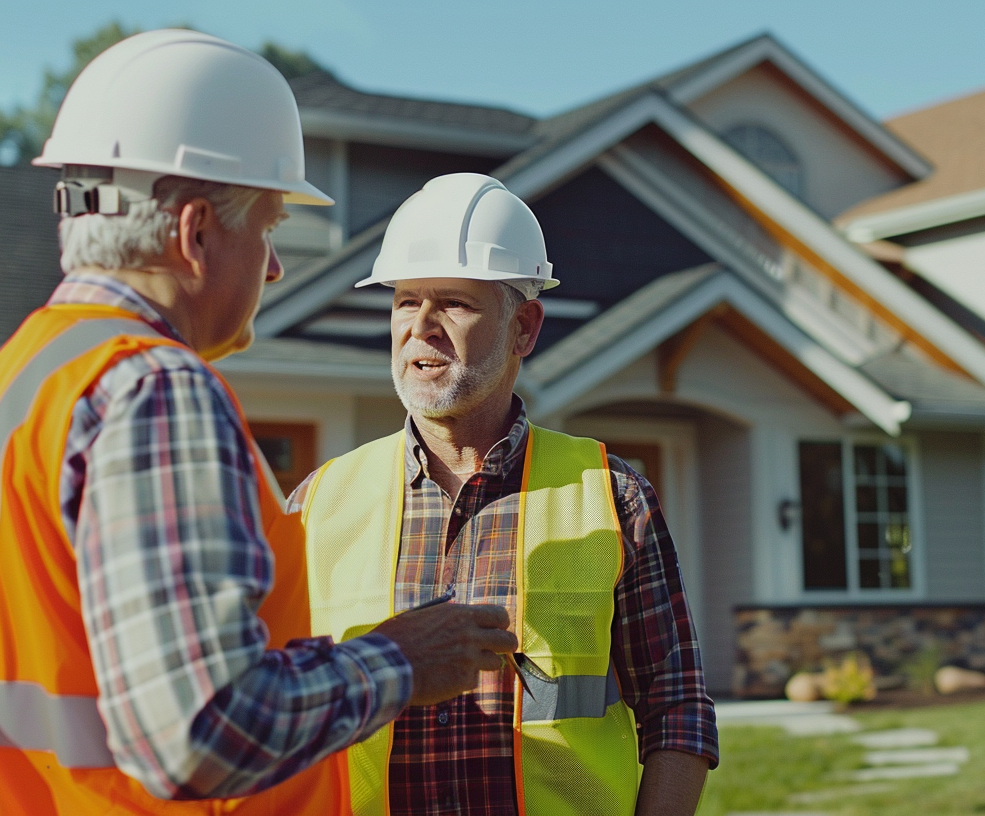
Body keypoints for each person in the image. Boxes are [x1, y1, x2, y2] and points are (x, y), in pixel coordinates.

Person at [0, 32, 516, 815]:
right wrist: (401, 661)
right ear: (197, 231)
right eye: (272, 227)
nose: (275, 268)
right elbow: (200, 735)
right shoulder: (150, 388)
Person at [291, 173, 719, 816]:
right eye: (406, 302)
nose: (423, 328)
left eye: (456, 304)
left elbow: (677, 706)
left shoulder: (612, 496)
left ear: (524, 328)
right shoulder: (317, 502)